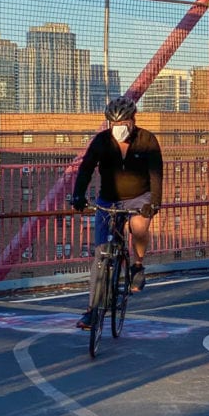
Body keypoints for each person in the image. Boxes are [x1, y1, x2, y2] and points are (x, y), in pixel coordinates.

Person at [71, 95, 163, 329]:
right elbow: (86, 168)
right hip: (109, 199)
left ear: (133, 120)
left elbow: (156, 175)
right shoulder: (101, 141)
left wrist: (154, 202)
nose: (119, 128)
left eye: (123, 123)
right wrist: (78, 195)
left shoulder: (147, 140)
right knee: (100, 255)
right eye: (114, 124)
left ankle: (138, 265)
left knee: (139, 226)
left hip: (139, 196)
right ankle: (92, 310)